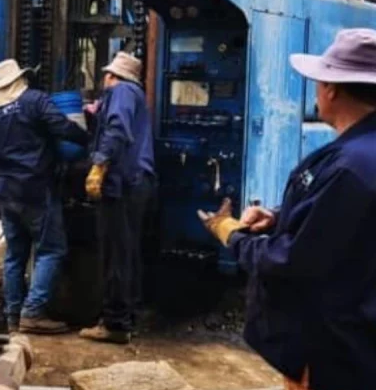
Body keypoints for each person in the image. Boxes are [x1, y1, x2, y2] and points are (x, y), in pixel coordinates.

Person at [198, 28, 376, 390]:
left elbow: (295, 261)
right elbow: (347, 223)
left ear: (331, 89)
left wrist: (232, 234)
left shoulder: (350, 167)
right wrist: (281, 216)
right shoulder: (359, 156)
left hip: (336, 352)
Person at [0, 59, 89, 334]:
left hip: (4, 190)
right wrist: (89, 138)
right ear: (20, 80)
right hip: (34, 189)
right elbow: (62, 127)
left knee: (15, 255)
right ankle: (33, 312)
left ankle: (12, 315)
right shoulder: (34, 100)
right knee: (52, 249)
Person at [79, 51, 156, 345]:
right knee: (127, 251)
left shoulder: (122, 91)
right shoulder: (133, 93)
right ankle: (129, 313)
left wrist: (98, 165)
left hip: (122, 183)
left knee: (115, 253)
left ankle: (114, 323)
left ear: (113, 76)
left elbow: (117, 129)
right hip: (137, 183)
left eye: (105, 75)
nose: (103, 80)